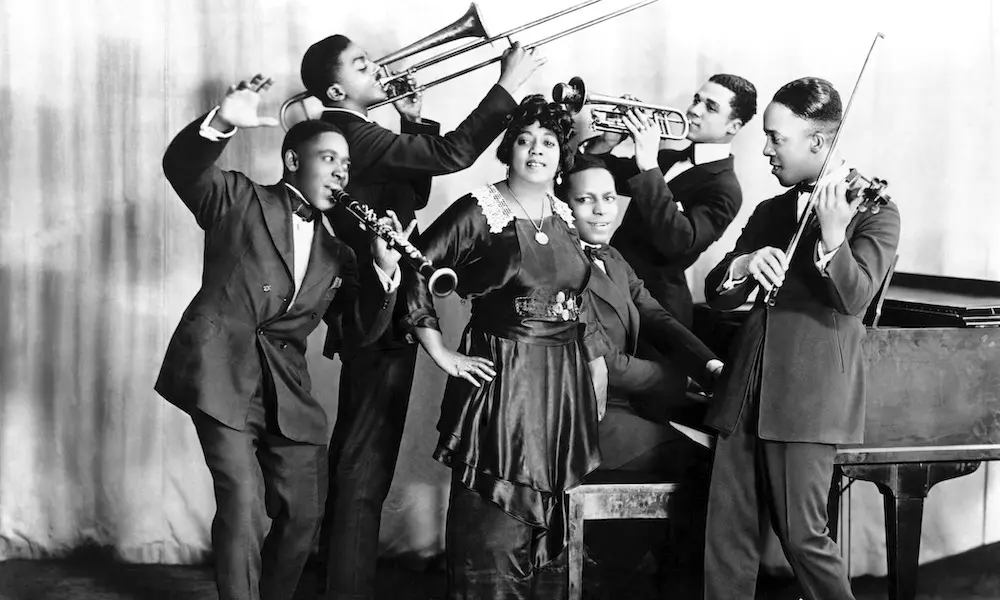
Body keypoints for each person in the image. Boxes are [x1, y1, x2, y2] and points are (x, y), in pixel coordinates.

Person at [297, 34, 544, 600]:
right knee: (364, 464)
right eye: (361, 65)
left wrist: (413, 119)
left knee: (367, 459)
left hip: (384, 305)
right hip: (376, 308)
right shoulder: (353, 131)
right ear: (336, 90)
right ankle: (344, 589)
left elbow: (414, 186)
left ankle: (342, 582)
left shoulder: (360, 133)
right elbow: (454, 156)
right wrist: (506, 85)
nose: (376, 65)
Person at [156, 73, 412, 600]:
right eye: (329, 160)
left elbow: (360, 333)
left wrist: (385, 274)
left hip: (286, 392)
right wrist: (222, 122)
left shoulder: (340, 253)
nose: (341, 172)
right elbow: (181, 167)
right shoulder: (238, 198)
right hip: (219, 374)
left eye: (346, 164)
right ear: (294, 161)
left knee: (304, 513)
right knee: (244, 502)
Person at [702, 77, 900, 600]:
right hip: (745, 387)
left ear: (818, 142)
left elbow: (854, 300)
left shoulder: (875, 212)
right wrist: (742, 264)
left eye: (775, 138)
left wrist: (834, 234)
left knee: (802, 535)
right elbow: (718, 291)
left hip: (807, 395)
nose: (765, 149)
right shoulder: (772, 210)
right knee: (727, 538)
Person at [404, 95, 604, 599]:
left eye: (549, 142)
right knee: (493, 523)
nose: (537, 150)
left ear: (563, 154)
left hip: (559, 389)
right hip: (505, 386)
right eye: (524, 139)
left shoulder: (565, 214)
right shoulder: (479, 209)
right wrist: (442, 352)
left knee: (547, 528)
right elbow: (415, 266)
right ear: (507, 148)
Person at [559, 151, 723, 598]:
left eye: (609, 198)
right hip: (582, 418)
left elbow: (656, 316)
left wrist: (709, 365)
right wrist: (681, 383)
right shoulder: (558, 261)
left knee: (707, 457)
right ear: (563, 205)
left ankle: (626, 570)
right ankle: (645, 580)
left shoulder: (611, 256)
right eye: (585, 200)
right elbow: (605, 362)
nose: (601, 209)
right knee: (708, 468)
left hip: (618, 408)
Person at [585, 73, 758, 329]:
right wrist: (607, 141)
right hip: (613, 287)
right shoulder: (666, 159)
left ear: (733, 126)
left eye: (710, 107)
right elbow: (590, 174)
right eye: (696, 100)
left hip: (657, 310)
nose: (694, 110)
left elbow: (679, 244)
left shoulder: (726, 189)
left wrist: (648, 165)